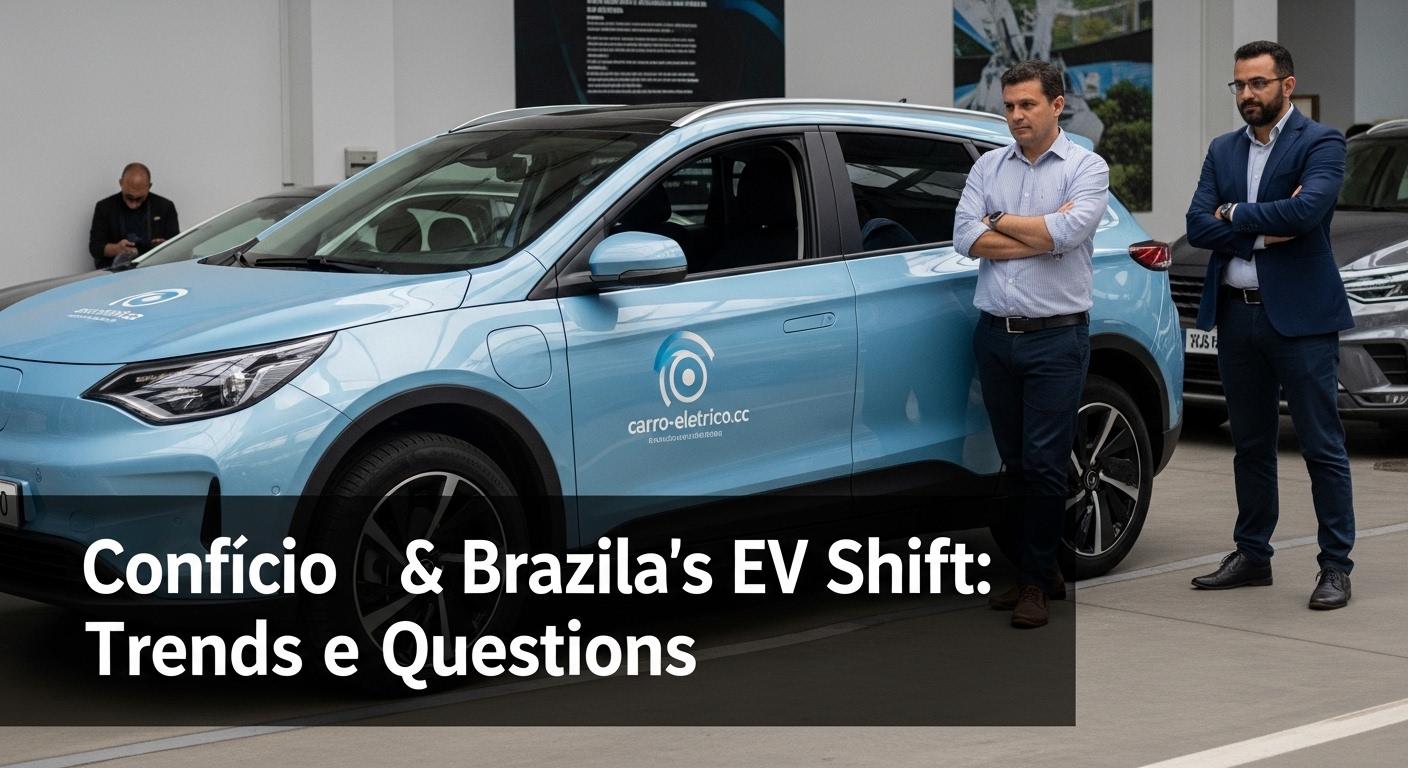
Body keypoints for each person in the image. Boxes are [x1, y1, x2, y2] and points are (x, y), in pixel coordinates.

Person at [1184, 41, 1355, 610]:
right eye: (1239, 85)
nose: (1247, 95)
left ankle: (1335, 566)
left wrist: (1231, 215)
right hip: (1238, 316)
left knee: (1320, 446)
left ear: (1287, 84)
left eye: (1258, 83)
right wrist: (1257, 227)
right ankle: (1253, 554)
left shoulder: (1322, 142)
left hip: (1301, 321)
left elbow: (1307, 215)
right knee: (1250, 445)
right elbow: (1195, 223)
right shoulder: (1222, 149)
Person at [954, 60, 1110, 629]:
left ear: (1057, 105)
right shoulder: (988, 165)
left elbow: (1069, 234)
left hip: (1056, 339)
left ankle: (1032, 583)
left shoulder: (1086, 167)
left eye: (1027, 105)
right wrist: (1038, 234)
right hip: (995, 337)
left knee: (1046, 465)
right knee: (1016, 463)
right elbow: (965, 237)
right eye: (1010, 105)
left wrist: (1005, 220)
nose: (1016, 115)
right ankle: (1041, 572)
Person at [88, 162, 180, 269]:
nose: (134, 204)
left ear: (149, 187)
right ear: (121, 183)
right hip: (114, 272)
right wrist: (117, 249)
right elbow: (95, 248)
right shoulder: (105, 207)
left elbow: (178, 247)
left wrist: (164, 247)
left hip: (154, 270)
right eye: (129, 197)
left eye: (139, 198)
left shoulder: (164, 207)